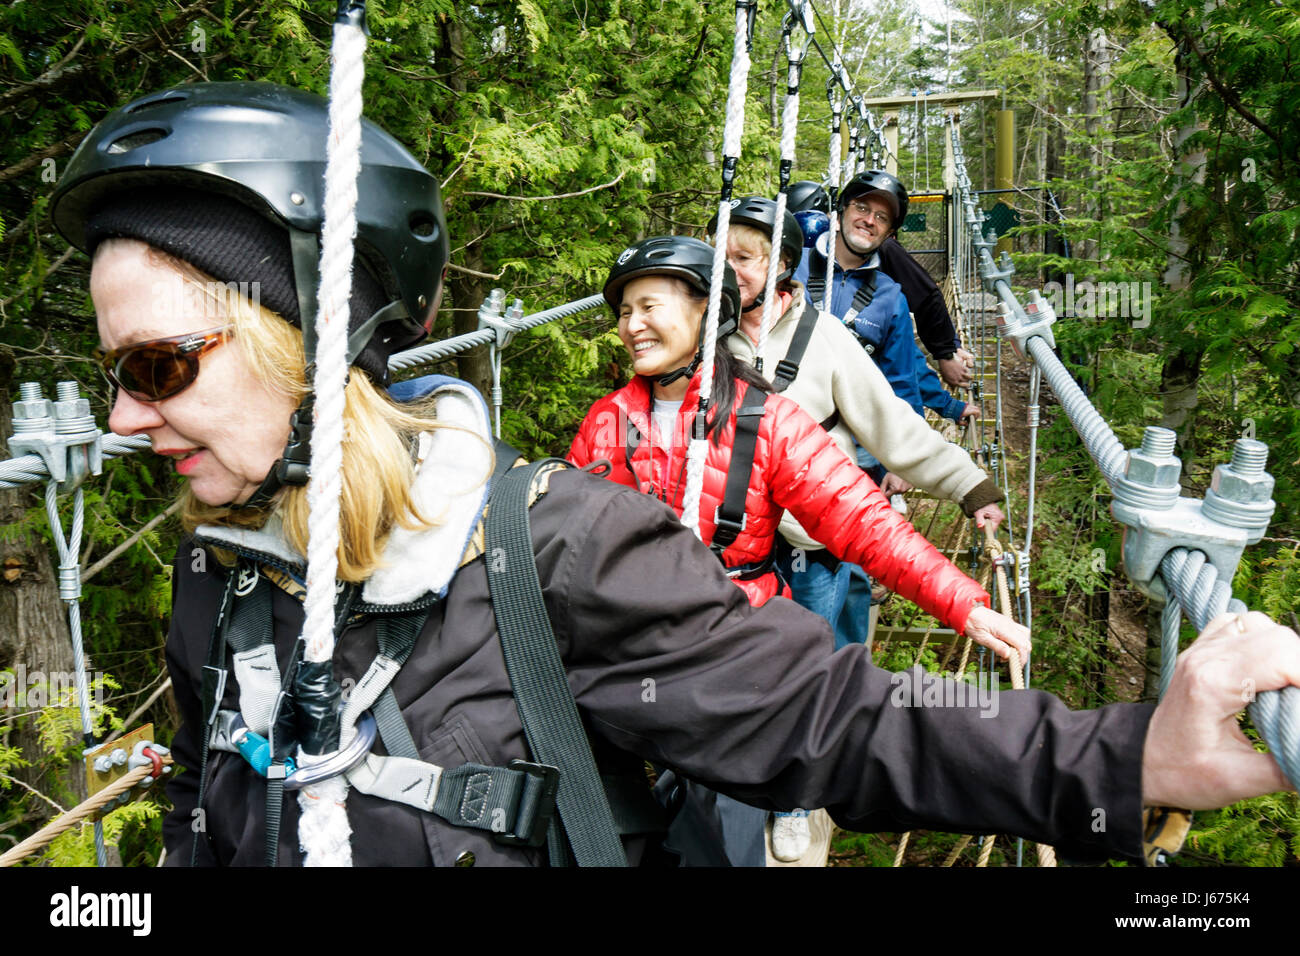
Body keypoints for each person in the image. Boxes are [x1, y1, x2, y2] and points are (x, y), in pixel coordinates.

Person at [52, 80, 1300, 868]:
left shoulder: (560, 539)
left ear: (309, 341)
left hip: (737, 639)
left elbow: (844, 688)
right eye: (114, 371)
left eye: (159, 365)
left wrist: (1122, 754)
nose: (119, 416)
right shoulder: (222, 577)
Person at [569, 231, 1026, 863]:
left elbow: (863, 521)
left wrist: (963, 605)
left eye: (650, 306)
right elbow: (572, 546)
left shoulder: (768, 420)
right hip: (635, 654)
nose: (632, 325)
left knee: (721, 827)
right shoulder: (607, 423)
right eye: (624, 311)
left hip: (728, 653)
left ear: (706, 311)